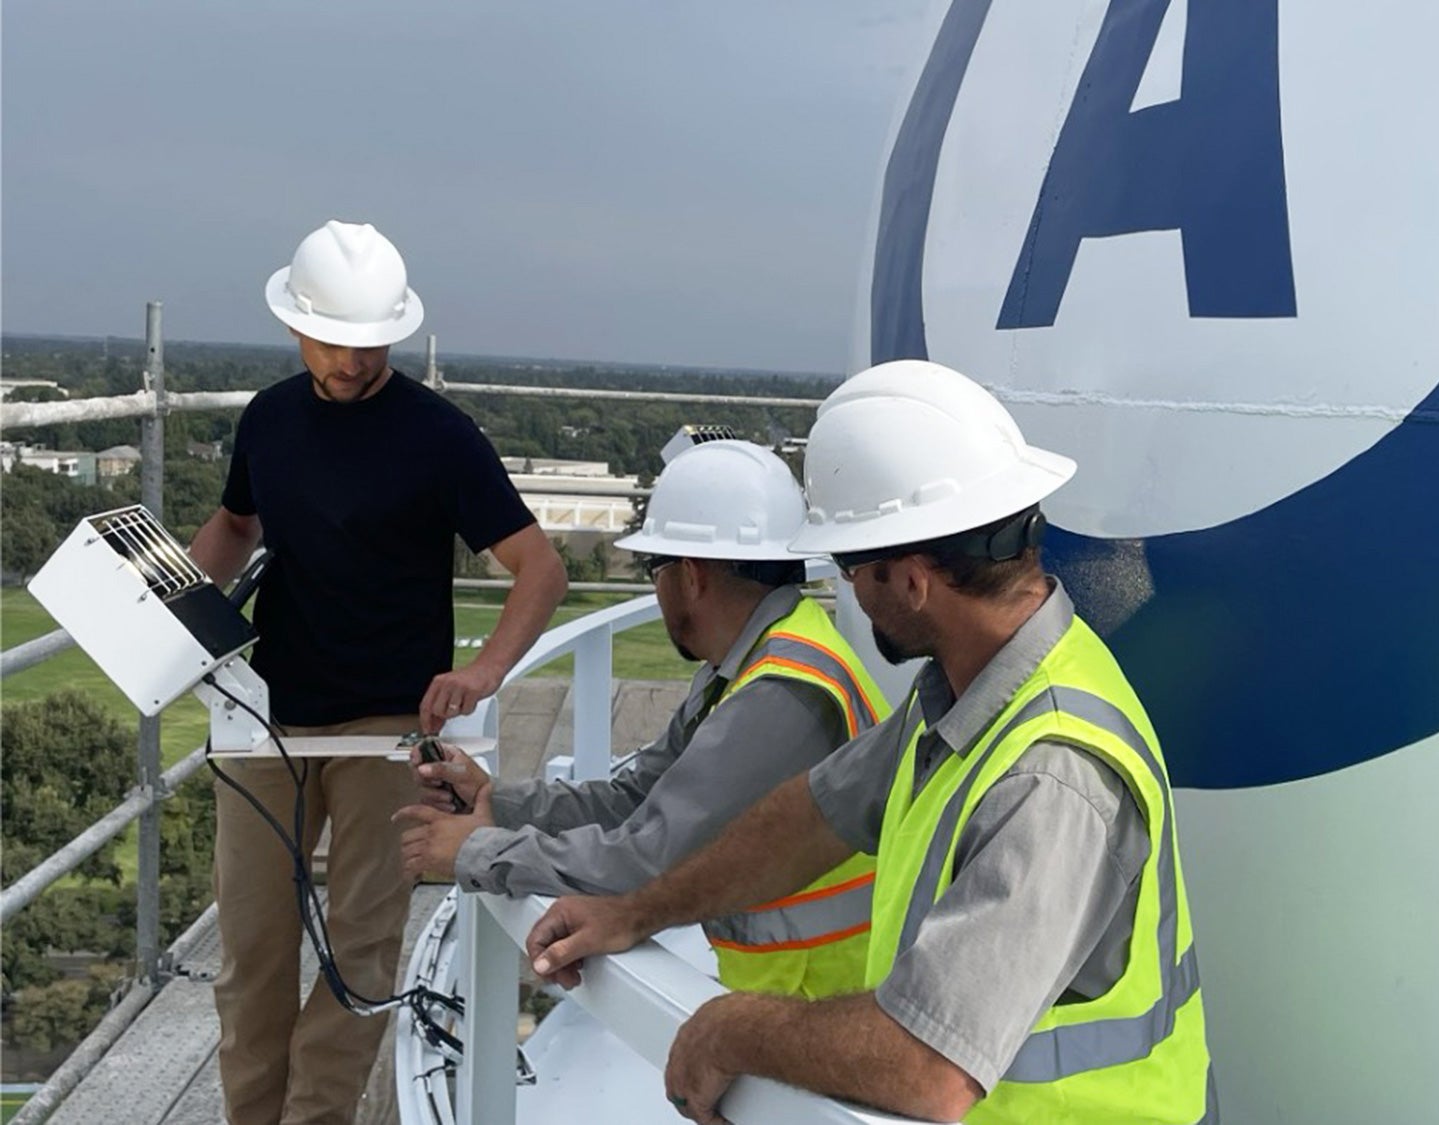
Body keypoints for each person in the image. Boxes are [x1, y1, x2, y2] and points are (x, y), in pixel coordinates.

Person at [523, 361, 1217, 1124]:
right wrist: (638, 909)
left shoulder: (1051, 773)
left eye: (853, 564)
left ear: (912, 581)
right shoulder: (967, 689)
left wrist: (734, 1028)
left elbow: (930, 1064)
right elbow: (813, 816)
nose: (848, 590)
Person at [188, 219, 567, 1125]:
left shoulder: (439, 436)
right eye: (333, 342)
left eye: (371, 343)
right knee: (251, 953)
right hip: (269, 719)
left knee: (357, 953)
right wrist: (170, 609)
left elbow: (540, 567)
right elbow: (236, 524)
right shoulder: (269, 418)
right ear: (295, 324)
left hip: (389, 731)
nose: (353, 361)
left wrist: (484, 670)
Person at [392, 438, 888, 998]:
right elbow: (635, 797)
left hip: (825, 996)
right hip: (797, 986)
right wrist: (498, 803)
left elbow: (649, 856)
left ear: (691, 575)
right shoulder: (749, 664)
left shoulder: (780, 695)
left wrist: (479, 852)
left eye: (655, 566)